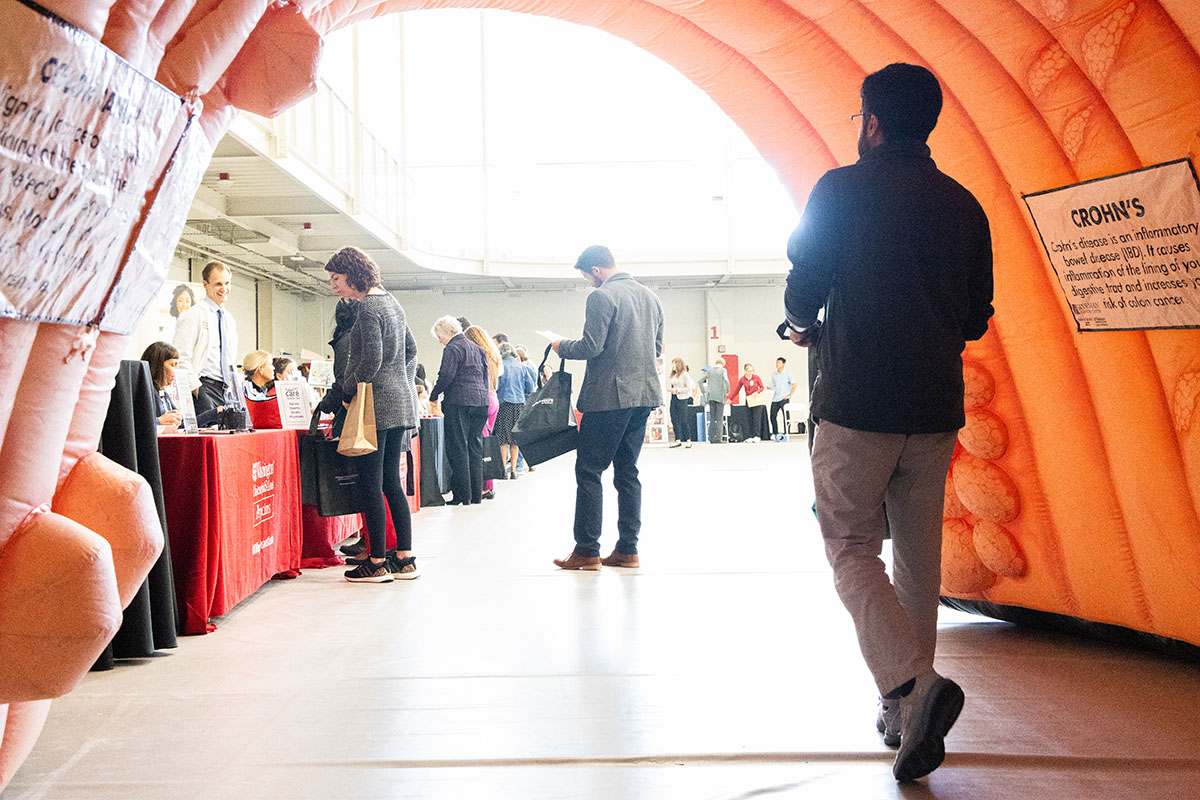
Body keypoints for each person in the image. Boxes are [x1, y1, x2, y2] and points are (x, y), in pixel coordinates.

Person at [783, 63, 993, 782]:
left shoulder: (840, 190)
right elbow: (974, 318)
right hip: (933, 409)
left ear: (872, 122)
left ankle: (911, 686)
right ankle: (905, 718)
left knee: (849, 547)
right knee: (917, 561)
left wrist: (802, 325)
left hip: (856, 405)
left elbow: (804, 284)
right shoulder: (965, 205)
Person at [551, 245, 663, 571]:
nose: (589, 283)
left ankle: (587, 550)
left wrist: (561, 346)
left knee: (589, 471)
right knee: (628, 473)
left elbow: (591, 346)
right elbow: (656, 348)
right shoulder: (650, 297)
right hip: (643, 396)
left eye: (588, 276)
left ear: (597, 270)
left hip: (608, 399)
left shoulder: (602, 297)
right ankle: (628, 549)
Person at [327, 246, 421, 582]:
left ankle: (378, 562)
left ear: (352, 275)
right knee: (391, 483)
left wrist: (346, 391)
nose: (334, 285)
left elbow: (370, 362)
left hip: (377, 405)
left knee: (370, 482)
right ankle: (405, 558)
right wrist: (404, 382)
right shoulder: (392, 303)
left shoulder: (368, 310)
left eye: (336, 279)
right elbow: (411, 350)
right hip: (400, 403)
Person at [430, 316, 489, 505]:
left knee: (458, 448)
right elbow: (485, 377)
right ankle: (476, 495)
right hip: (481, 402)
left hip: (459, 401)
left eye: (439, 336)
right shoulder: (478, 349)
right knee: (475, 447)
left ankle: (463, 496)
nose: (439, 341)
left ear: (448, 332)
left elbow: (446, 374)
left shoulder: (452, 348)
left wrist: (434, 395)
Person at [173, 261, 238, 417]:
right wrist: (198, 391)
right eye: (218, 284)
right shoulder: (192, 316)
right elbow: (180, 358)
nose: (224, 289)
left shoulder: (229, 319)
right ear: (205, 285)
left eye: (227, 283)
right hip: (204, 387)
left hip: (225, 391)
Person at [464, 324, 503, 500]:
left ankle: (485, 487)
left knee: (479, 445)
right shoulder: (494, 355)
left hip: (483, 401)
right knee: (486, 442)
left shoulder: (478, 354)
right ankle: (488, 485)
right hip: (493, 398)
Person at [494, 341, 535, 478]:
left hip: (503, 404)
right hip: (519, 404)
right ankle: (514, 471)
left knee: (502, 439)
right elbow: (530, 388)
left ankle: (502, 470)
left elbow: (495, 387)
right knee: (515, 439)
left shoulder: (499, 367)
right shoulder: (523, 368)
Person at [141, 341, 183, 429]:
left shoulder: (163, 393)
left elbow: (182, 424)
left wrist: (212, 414)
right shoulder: (144, 392)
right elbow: (138, 425)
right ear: (158, 365)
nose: (176, 371)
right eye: (172, 365)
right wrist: (159, 421)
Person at [697, 357, 730, 443]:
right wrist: (728, 391)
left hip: (710, 397)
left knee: (712, 417)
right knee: (719, 418)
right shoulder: (723, 370)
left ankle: (711, 437)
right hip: (720, 396)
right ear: (723, 364)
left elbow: (700, 381)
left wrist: (704, 392)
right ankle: (718, 438)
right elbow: (726, 380)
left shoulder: (710, 371)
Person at [667, 357, 697, 448]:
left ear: (678, 364)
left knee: (683, 420)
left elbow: (688, 388)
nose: (672, 366)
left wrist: (677, 390)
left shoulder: (685, 375)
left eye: (674, 363)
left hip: (682, 398)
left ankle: (688, 440)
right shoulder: (673, 374)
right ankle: (677, 439)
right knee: (673, 418)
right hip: (673, 398)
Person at [767, 357, 797, 440]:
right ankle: (775, 433)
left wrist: (790, 395)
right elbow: (773, 386)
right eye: (776, 363)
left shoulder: (788, 373)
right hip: (775, 398)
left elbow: (794, 384)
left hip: (784, 398)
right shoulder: (774, 374)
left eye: (779, 363)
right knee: (772, 416)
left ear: (783, 364)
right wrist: (770, 387)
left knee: (786, 417)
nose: (777, 364)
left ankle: (786, 432)